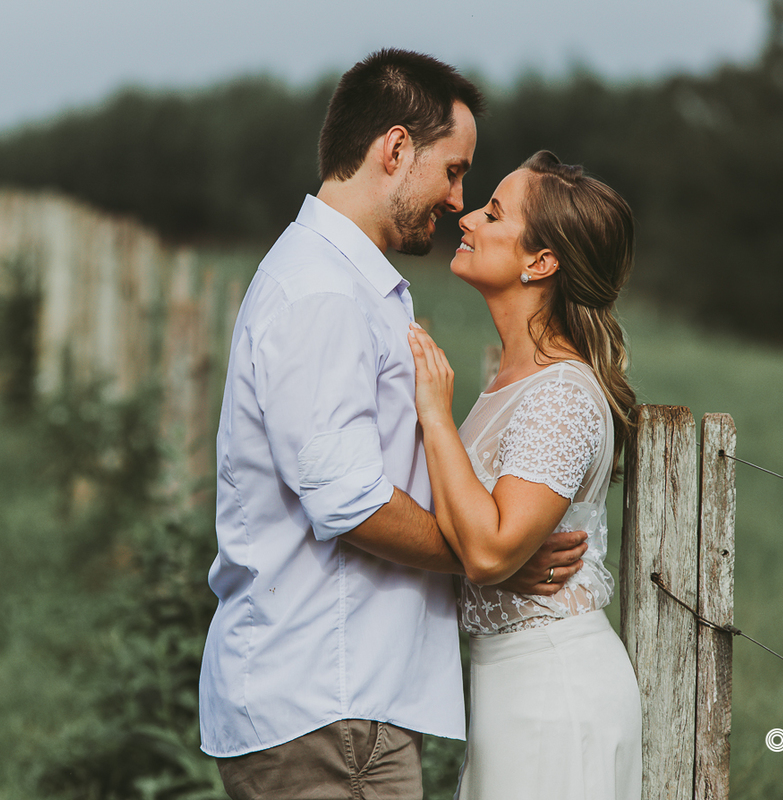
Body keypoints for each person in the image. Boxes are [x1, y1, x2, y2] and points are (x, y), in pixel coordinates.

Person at [198, 51, 589, 799]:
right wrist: (486, 558)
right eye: (453, 171)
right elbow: (349, 502)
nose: (458, 200)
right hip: (327, 706)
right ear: (397, 149)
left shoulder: (342, 282)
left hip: (340, 703)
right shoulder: (324, 294)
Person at [407, 150, 643, 799]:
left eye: (493, 213)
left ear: (540, 263)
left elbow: (488, 551)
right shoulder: (513, 382)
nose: (467, 218)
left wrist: (434, 415)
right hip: (510, 693)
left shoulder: (561, 393)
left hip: (553, 694)